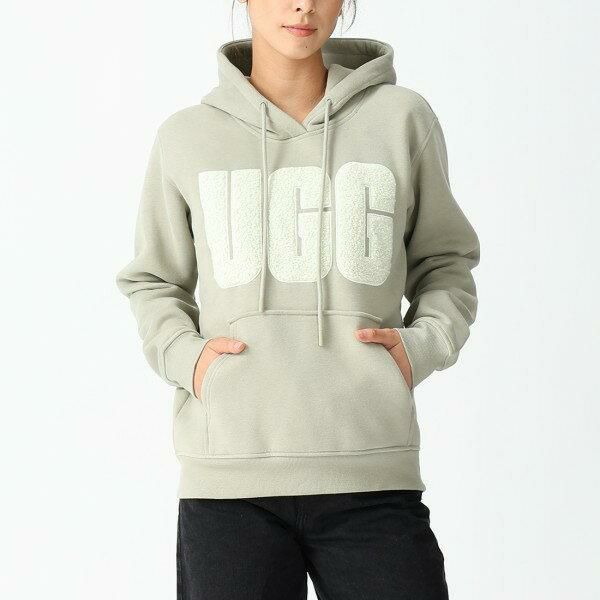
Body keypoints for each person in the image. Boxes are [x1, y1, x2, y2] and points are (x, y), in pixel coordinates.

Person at [116, 1, 480, 598]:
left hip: (370, 470)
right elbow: (152, 280)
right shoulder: (187, 136)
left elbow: (446, 261)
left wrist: (421, 347)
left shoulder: (402, 120)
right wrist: (191, 360)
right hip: (229, 484)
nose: (303, 5)